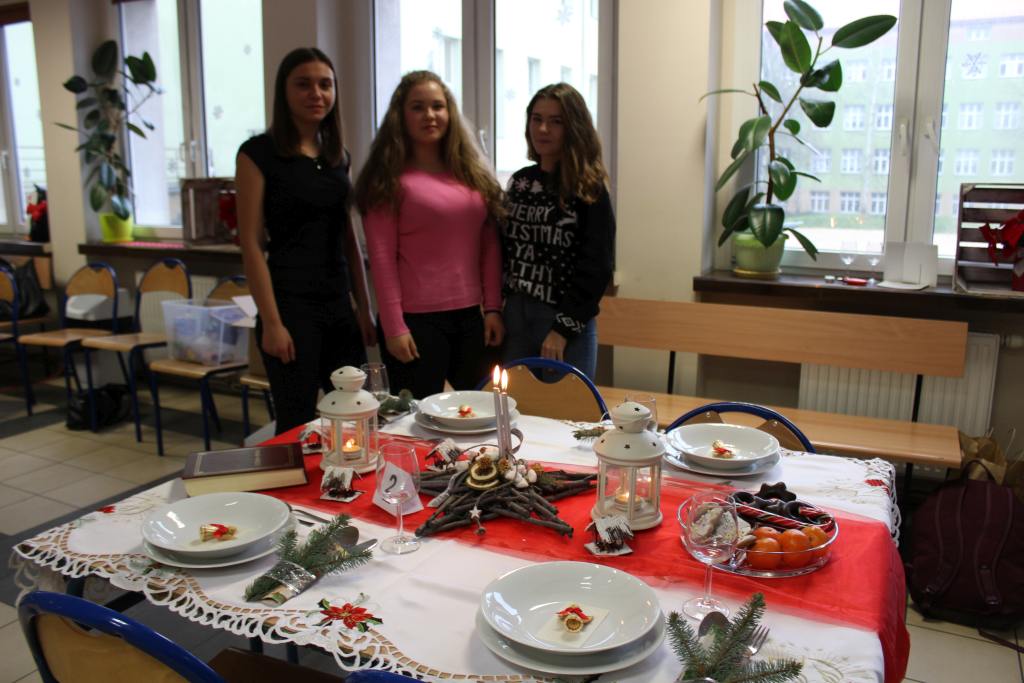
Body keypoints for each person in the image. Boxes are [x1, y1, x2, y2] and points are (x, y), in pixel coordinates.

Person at [236, 47, 375, 435]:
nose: (316, 93)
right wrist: (272, 323)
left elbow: (349, 238)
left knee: (355, 419)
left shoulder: (338, 156)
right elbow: (251, 243)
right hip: (290, 308)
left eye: (325, 84)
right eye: (304, 84)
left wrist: (364, 309)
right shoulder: (257, 154)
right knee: (296, 423)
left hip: (338, 306)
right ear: (284, 91)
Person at [355, 70, 504, 398]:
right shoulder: (387, 180)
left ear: (450, 112)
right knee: (416, 419)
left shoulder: (472, 175)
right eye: (418, 107)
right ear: (401, 115)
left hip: (472, 318)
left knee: (475, 414)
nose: (430, 115)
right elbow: (381, 259)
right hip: (415, 322)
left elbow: (489, 245)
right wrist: (394, 327)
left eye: (438, 106)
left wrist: (493, 308)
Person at [501, 82, 615, 379]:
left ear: (573, 128)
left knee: (565, 409)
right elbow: (505, 250)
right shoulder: (520, 182)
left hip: (562, 323)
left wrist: (562, 330)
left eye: (555, 122)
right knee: (511, 405)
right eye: (536, 119)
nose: (543, 129)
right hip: (515, 318)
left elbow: (597, 266)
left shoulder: (588, 189)